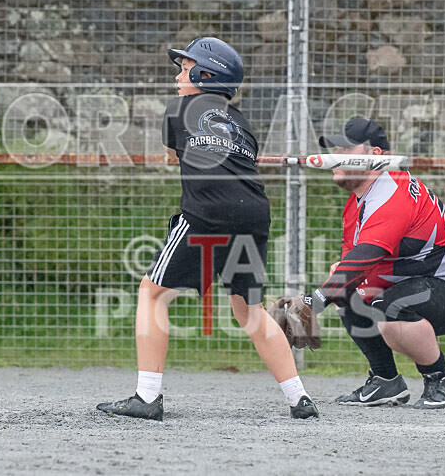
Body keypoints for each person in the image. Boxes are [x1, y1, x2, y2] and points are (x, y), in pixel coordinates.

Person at [96, 37, 319, 420]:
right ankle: (299, 398)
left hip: (206, 212)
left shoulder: (178, 109)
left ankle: (147, 398)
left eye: (185, 70)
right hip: (253, 212)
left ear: (205, 75)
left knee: (152, 294)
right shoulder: (242, 122)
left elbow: (172, 157)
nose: (179, 78)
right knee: (248, 310)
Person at [274, 117, 445, 410]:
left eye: (345, 150)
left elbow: (363, 261)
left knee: (389, 308)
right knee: (343, 285)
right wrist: (330, 292)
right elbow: (352, 268)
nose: (334, 157)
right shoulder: (359, 202)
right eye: (334, 149)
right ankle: (386, 381)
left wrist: (312, 302)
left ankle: (438, 377)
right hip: (418, 279)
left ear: (375, 157)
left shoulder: (392, 194)